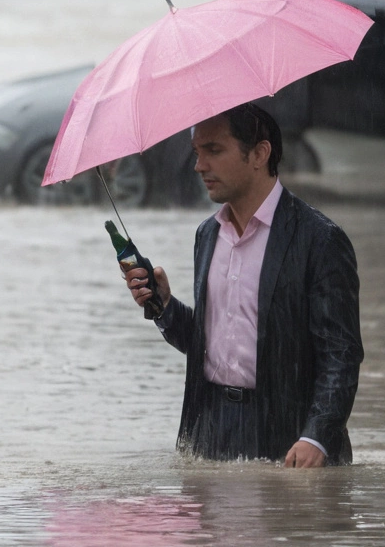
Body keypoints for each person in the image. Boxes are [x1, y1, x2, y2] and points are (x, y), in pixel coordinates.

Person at [123, 103, 362, 466]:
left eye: (214, 151)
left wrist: (317, 435)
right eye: (197, 152)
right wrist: (165, 307)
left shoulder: (320, 240)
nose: (199, 165)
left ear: (259, 154)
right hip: (212, 433)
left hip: (290, 439)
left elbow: (341, 355)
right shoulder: (207, 235)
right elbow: (213, 344)